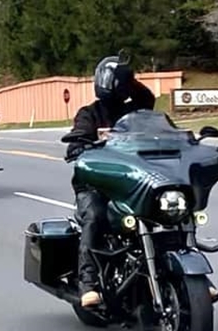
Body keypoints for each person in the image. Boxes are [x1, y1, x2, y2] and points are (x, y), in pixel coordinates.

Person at [65, 55, 156, 308]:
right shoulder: (89, 114)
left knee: (168, 212)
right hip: (96, 186)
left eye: (120, 83)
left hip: (132, 184)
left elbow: (147, 100)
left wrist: (127, 76)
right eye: (114, 81)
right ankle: (88, 283)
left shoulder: (136, 112)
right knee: (94, 216)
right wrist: (78, 145)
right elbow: (77, 140)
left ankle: (192, 274)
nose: (115, 86)